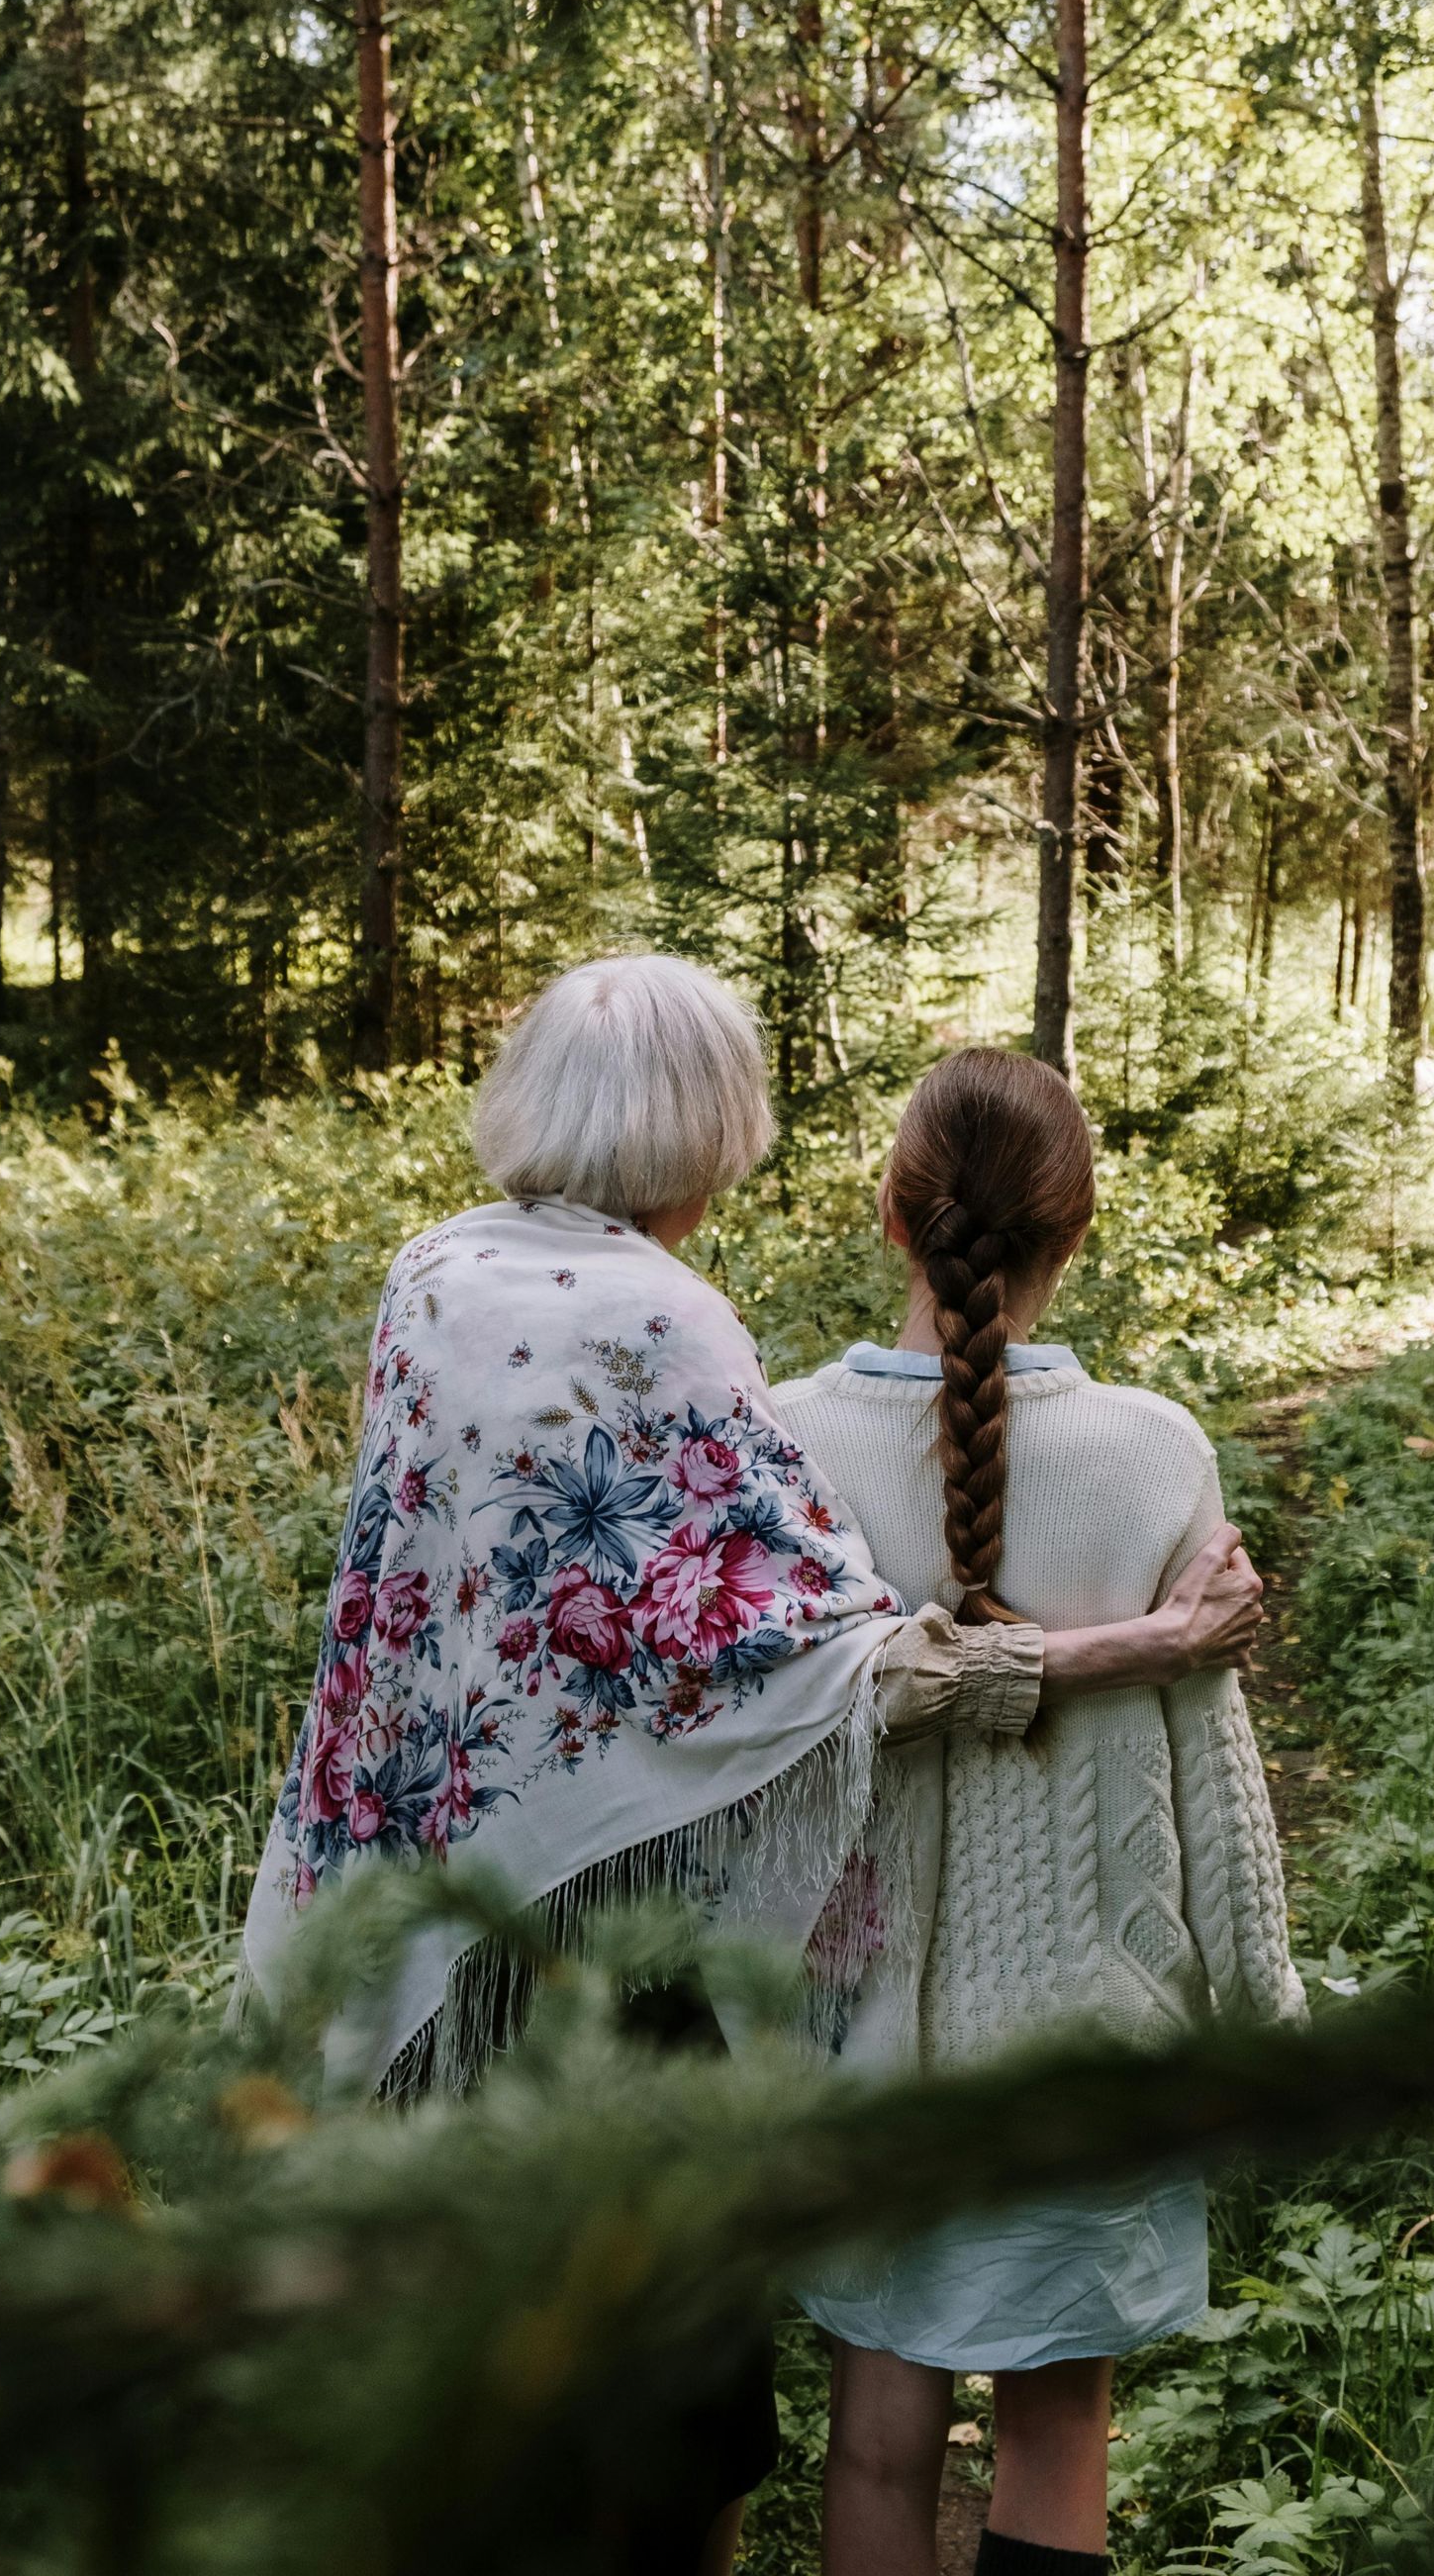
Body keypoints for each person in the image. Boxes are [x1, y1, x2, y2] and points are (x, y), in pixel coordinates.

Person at [236, 957, 1269, 2576]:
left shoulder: (433, 1276)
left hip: (461, 1900)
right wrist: (1121, 1656)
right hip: (666, 1932)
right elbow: (808, 1665)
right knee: (709, 2395)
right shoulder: (678, 1327)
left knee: (585, 2381)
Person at [774, 1046, 1305, 2576]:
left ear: (893, 1212)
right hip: (1094, 2019)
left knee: (879, 2428)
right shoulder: (1152, 1453)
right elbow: (1214, 1754)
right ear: (1081, 1229)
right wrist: (1255, 2004)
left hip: (856, 2021)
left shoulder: (787, 1445)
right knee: (1059, 2422)